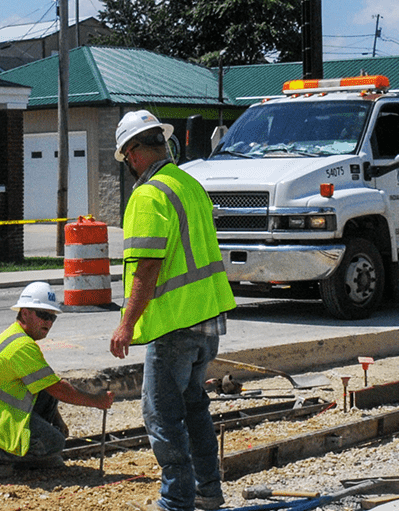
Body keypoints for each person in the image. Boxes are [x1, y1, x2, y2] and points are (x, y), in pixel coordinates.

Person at [108, 110, 238, 511]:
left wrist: (126, 325)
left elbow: (148, 266)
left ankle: (176, 501)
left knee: (163, 417)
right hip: (208, 320)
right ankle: (208, 492)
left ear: (132, 153)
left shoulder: (149, 195)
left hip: (174, 325)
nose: (129, 164)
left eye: (127, 157)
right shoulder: (188, 184)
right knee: (194, 406)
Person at [0, 282, 116, 478]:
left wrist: (57, 421)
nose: (48, 322)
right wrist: (96, 401)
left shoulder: (18, 337)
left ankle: (36, 454)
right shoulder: (21, 346)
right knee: (55, 442)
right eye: (43, 315)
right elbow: (60, 390)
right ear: (24, 313)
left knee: (46, 392)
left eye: (52, 318)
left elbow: (49, 387)